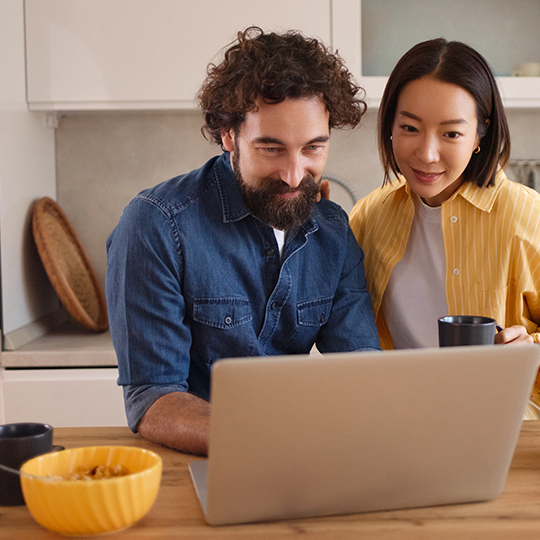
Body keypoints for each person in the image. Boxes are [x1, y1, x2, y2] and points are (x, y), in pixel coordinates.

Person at [106, 27, 380, 455]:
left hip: (298, 461)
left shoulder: (333, 231)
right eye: (271, 149)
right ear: (229, 136)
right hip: (199, 463)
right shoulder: (156, 225)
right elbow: (152, 399)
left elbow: (361, 370)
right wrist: (267, 441)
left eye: (312, 148)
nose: (294, 174)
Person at [348, 39, 540, 417]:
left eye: (451, 133)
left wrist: (536, 350)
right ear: (389, 125)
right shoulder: (370, 218)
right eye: (410, 127)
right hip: (410, 426)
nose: (426, 153)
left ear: (480, 134)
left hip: (520, 434)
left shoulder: (525, 218)